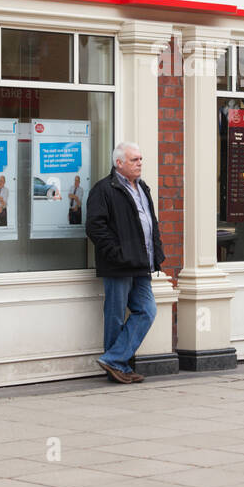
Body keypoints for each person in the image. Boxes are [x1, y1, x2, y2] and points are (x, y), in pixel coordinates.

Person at [85, 142, 163, 385]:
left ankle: (114, 359)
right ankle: (117, 365)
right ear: (119, 163)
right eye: (134, 160)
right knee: (115, 315)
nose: (140, 163)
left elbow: (151, 223)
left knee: (147, 311)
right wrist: (117, 253)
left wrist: (156, 251)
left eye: (140, 159)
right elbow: (95, 228)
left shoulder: (143, 188)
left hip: (142, 263)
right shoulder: (104, 189)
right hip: (119, 263)